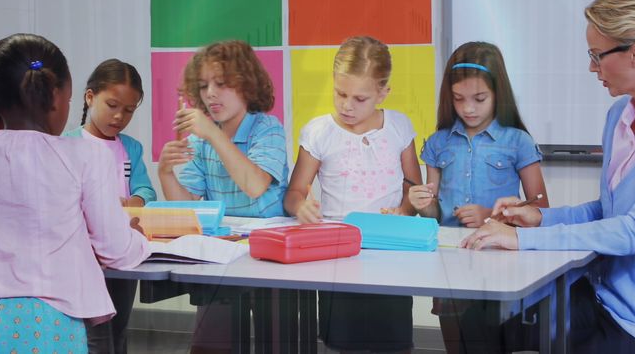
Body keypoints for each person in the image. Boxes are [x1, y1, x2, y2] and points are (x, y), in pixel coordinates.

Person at [463, 0, 635, 354]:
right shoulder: (619, 116)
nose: (592, 67)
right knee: (482, 322)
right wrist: (538, 217)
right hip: (601, 296)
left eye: (596, 55)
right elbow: (610, 210)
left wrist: (521, 240)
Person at [0, 33, 150, 354]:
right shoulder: (85, 155)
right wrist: (136, 238)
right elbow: (116, 250)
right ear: (58, 98)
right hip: (44, 324)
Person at [407, 41, 548, 353]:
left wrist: (490, 215)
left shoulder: (517, 142)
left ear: (499, 94)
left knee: (493, 342)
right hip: (449, 261)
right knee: (456, 342)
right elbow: (433, 212)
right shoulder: (438, 143)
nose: (468, 108)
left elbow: (540, 207)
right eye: (458, 99)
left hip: (499, 262)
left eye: (479, 98)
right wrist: (423, 203)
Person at [285, 36, 422, 353]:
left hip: (390, 252)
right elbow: (294, 192)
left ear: (383, 92)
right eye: (340, 93)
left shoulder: (399, 127)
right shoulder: (319, 132)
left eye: (359, 98)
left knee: (393, 341)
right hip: (338, 252)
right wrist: (301, 206)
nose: (347, 105)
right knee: (342, 342)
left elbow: (412, 189)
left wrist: (405, 208)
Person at [156, 39, 287, 353]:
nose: (210, 93)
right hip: (223, 251)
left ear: (247, 85)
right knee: (209, 345)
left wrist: (214, 135)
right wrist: (165, 173)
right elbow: (187, 209)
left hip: (271, 251)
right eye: (203, 86)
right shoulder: (202, 143)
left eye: (222, 83)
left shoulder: (267, 128)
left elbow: (255, 185)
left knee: (278, 341)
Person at [64, 58, 156, 354]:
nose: (119, 117)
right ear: (90, 97)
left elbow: (145, 189)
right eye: (112, 105)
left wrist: (134, 202)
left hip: (124, 247)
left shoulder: (130, 148)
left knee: (119, 327)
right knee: (94, 331)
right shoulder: (67, 144)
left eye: (128, 110)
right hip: (85, 254)